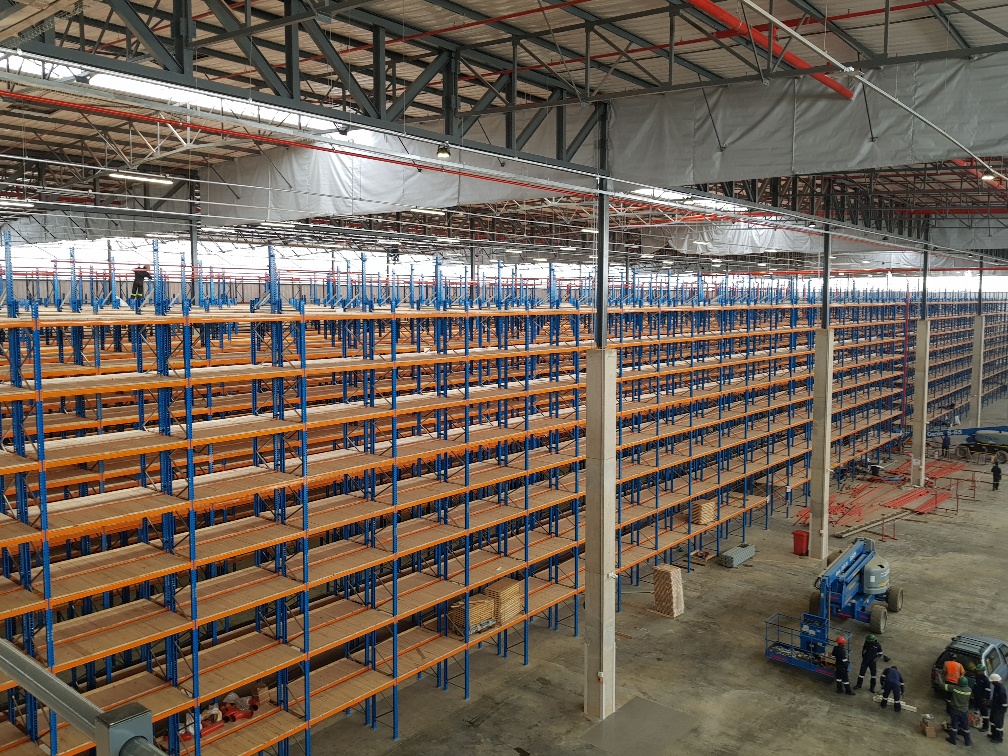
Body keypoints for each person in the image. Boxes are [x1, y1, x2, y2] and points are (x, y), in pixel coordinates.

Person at [945, 676, 973, 746]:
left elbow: (943, 685)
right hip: (964, 711)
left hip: (955, 710)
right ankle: (968, 741)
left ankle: (953, 740)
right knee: (965, 726)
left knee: (954, 725)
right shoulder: (969, 690)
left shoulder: (955, 688)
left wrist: (939, 678)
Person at [974, 663, 993, 733]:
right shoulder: (977, 677)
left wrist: (986, 700)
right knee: (977, 710)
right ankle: (977, 722)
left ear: (982, 671)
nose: (978, 672)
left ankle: (985, 726)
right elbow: (975, 686)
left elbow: (988, 691)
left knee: (984, 713)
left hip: (983, 699)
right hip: (977, 697)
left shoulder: (986, 680)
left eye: (979, 671)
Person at [992, 673, 1007, 743]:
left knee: (998, 724)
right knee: (993, 721)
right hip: (995, 707)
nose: (991, 683)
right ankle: (994, 735)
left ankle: (999, 738)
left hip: (1000, 709)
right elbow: (995, 699)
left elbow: (1003, 702)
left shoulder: (1001, 690)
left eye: (992, 682)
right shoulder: (997, 686)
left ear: (996, 681)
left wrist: (1002, 710)